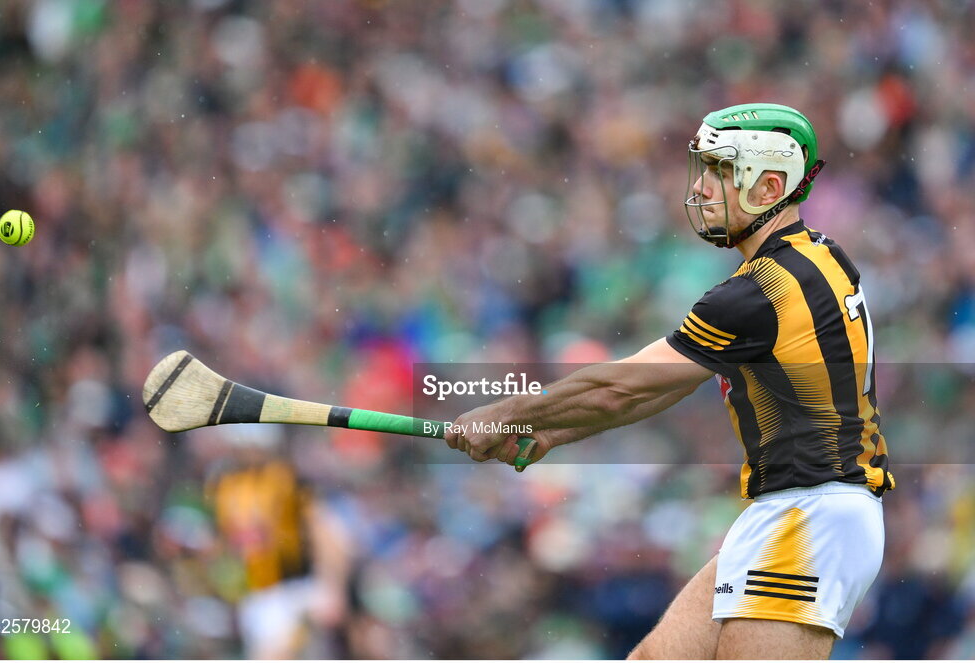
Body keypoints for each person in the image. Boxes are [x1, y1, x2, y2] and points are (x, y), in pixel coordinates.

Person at [444, 103, 893, 659]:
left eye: (721, 171)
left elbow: (624, 386)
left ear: (771, 185)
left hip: (811, 518)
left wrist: (507, 414)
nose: (702, 188)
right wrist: (558, 433)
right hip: (785, 510)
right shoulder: (818, 258)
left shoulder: (759, 292)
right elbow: (661, 388)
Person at [207, 424, 350, 659]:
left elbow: (327, 532)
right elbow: (226, 543)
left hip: (293, 590)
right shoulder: (223, 484)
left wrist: (333, 585)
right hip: (253, 595)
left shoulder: (286, 478)